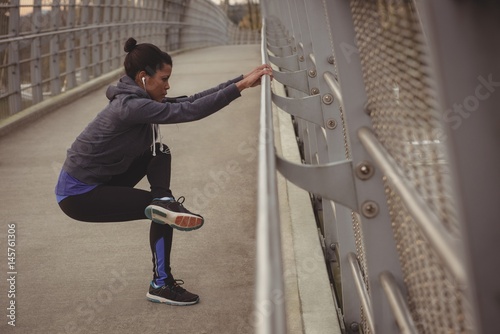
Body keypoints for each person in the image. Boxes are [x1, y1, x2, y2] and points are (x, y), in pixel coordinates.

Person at [55, 37, 272, 306]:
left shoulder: (138, 100)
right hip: (78, 195)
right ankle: (160, 283)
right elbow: (190, 111)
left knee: (159, 152)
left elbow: (189, 100)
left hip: (102, 178)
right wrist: (241, 86)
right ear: (143, 77)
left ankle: (163, 199)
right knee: (161, 212)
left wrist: (242, 80)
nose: (168, 85)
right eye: (164, 78)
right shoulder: (131, 107)